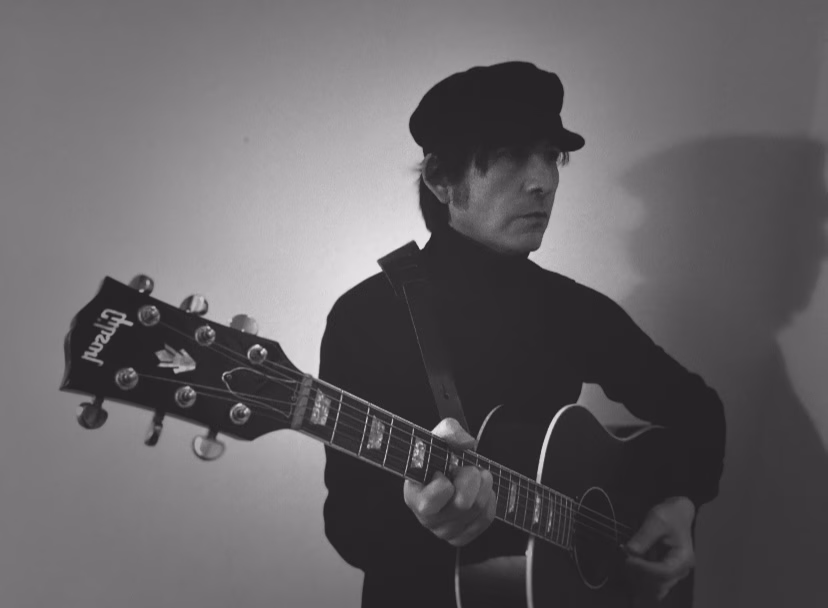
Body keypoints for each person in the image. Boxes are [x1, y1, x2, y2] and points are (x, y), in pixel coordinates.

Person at [319, 61, 726, 608]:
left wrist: (679, 504)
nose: (544, 182)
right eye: (511, 154)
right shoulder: (366, 315)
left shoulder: (573, 309)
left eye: (551, 156)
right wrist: (422, 518)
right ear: (441, 179)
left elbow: (699, 412)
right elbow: (348, 526)